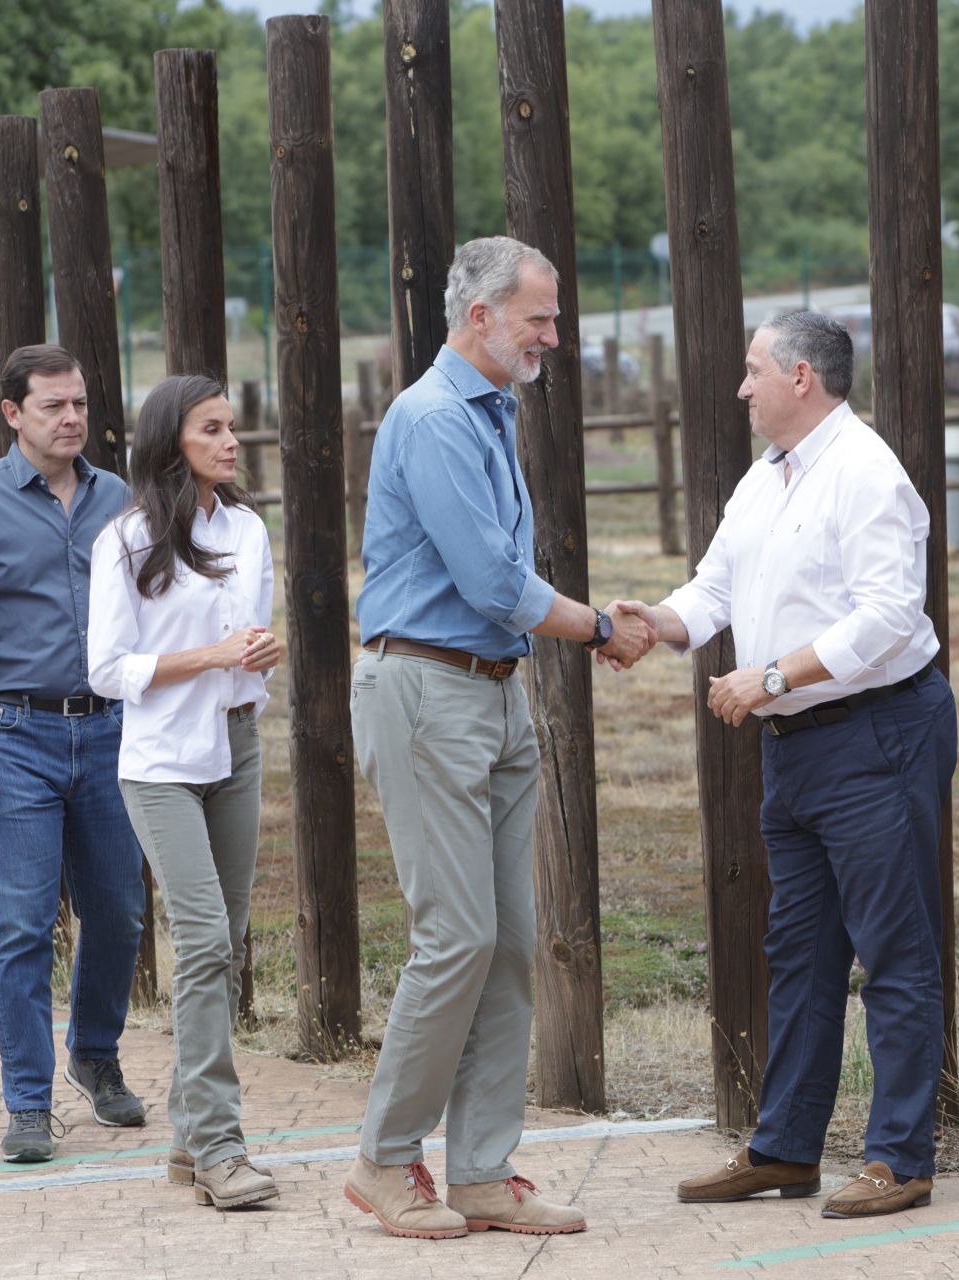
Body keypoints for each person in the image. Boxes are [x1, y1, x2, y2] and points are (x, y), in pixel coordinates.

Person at [342, 235, 651, 1241]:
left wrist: (573, 630)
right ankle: (385, 1160)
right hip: (430, 684)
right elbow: (491, 583)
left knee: (509, 941)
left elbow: (499, 590)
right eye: (540, 319)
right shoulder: (434, 419)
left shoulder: (490, 407)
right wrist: (603, 624)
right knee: (458, 934)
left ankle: (479, 1167)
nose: (553, 337)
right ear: (479, 317)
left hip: (492, 689)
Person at [617, 311, 956, 1218]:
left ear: (802, 377)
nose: (742, 387)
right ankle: (785, 1149)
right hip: (796, 747)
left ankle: (901, 1159)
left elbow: (890, 615)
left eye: (754, 370)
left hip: (876, 731)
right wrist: (653, 621)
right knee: (799, 954)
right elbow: (717, 586)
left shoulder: (866, 473)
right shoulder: (767, 477)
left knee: (894, 951)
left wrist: (771, 676)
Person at [0, 342, 149, 1162]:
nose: (72, 418)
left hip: (111, 730)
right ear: (12, 413)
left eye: (79, 402)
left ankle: (95, 1053)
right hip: (12, 736)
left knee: (120, 909)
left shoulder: (118, 498)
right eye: (53, 405)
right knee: (20, 921)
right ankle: (27, 1100)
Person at [87, 375, 282, 1211]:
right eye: (212, 429)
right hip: (162, 761)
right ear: (173, 442)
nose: (231, 441)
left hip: (236, 745)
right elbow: (106, 670)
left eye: (232, 427)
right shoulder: (126, 540)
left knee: (224, 944)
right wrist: (209, 656)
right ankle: (219, 1144)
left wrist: (260, 658)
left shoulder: (247, 528)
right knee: (202, 938)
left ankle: (185, 1137)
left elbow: (254, 644)